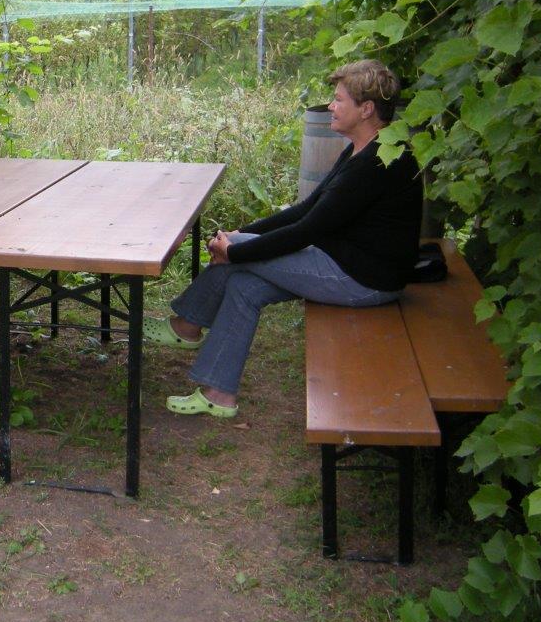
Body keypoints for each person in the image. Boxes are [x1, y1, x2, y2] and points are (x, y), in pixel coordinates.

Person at [153, 59, 422, 418]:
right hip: (344, 262)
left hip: (365, 280)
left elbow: (307, 231)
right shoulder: (364, 148)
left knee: (238, 257)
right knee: (244, 287)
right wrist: (242, 234)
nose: (331, 106)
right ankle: (219, 394)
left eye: (339, 99)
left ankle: (186, 326)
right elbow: (306, 209)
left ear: (366, 109)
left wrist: (235, 251)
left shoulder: (376, 164)